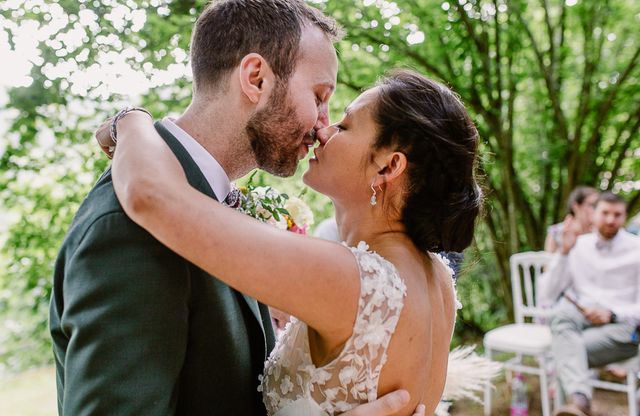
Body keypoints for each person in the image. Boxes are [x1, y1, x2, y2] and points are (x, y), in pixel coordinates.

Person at [50, 0, 418, 416]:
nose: (323, 126)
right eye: (319, 97)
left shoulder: (207, 200)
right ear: (256, 78)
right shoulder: (129, 225)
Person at [102, 69, 482, 415]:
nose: (323, 130)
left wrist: (131, 121)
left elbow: (151, 197)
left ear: (388, 166)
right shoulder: (436, 277)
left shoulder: (352, 279)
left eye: (345, 126)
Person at [539, 192, 640, 416]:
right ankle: (580, 402)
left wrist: (612, 314)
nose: (611, 220)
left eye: (617, 214)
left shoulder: (637, 249)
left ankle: (578, 402)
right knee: (559, 316)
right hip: (580, 320)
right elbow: (547, 294)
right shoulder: (577, 245)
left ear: (624, 217)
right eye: (605, 213)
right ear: (593, 215)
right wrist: (563, 253)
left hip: (623, 329)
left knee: (566, 351)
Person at [544, 186, 598, 253]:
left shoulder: (600, 232)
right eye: (592, 205)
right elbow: (548, 262)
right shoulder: (556, 232)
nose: (597, 209)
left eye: (598, 205)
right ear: (576, 206)